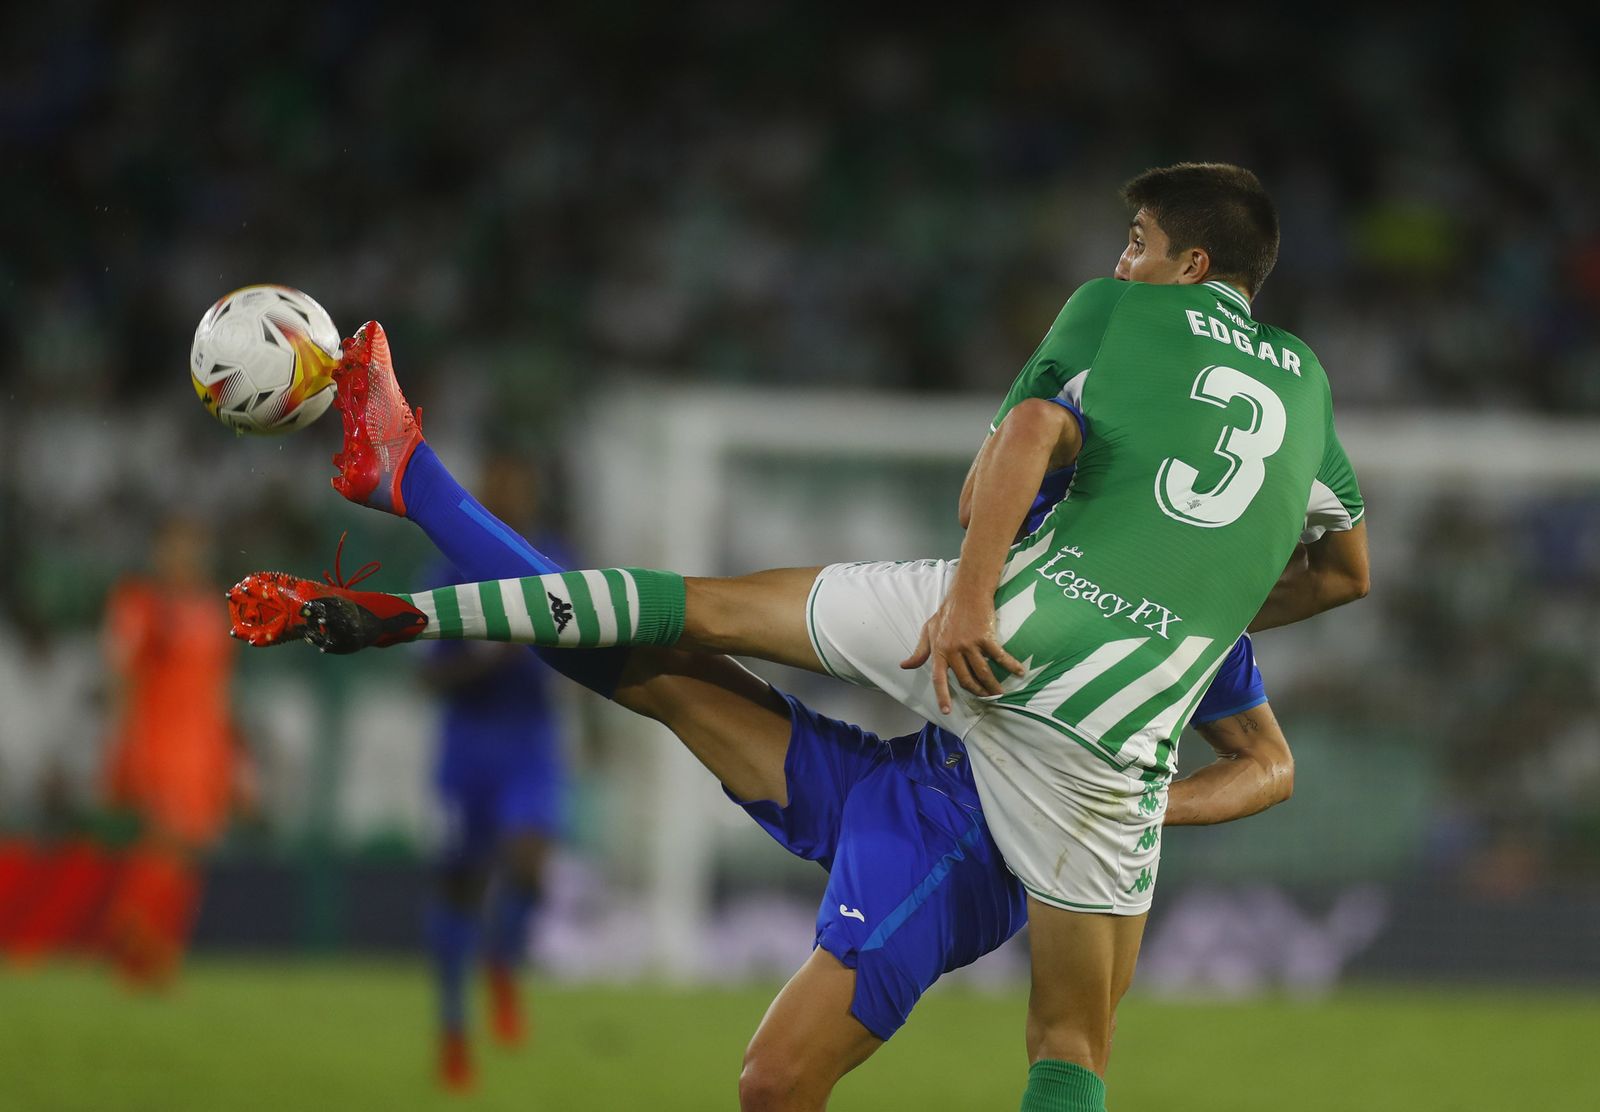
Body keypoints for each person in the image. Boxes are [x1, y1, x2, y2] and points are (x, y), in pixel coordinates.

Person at [233, 162, 1369, 1111]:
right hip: (906, 770)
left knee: (775, 1082)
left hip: (964, 838)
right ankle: (410, 478)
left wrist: (1138, 790)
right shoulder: (1105, 520)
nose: (1121, 265)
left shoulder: (1169, 595)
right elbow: (1313, 575)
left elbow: (1266, 761)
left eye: (1135, 245)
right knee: (644, 657)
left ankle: (409, 492)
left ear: (1187, 273)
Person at [417, 454, 570, 1091]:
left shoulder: (554, 558)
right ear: (483, 490)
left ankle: (503, 961)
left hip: (530, 744)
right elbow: (426, 674)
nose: (513, 493)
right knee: (462, 885)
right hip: (469, 746)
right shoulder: (452, 570)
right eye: (502, 481)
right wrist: (492, 659)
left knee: (530, 869)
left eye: (521, 482)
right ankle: (454, 1028)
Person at [100, 513, 243, 984]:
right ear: (160, 553)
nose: (185, 557)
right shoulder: (143, 604)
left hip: (204, 742)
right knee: (165, 840)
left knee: (188, 849)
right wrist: (124, 744)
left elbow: (220, 686)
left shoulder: (212, 607)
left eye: (193, 547)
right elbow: (124, 676)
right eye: (176, 547)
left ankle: (153, 947)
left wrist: (229, 752)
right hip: (159, 738)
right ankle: (132, 932)